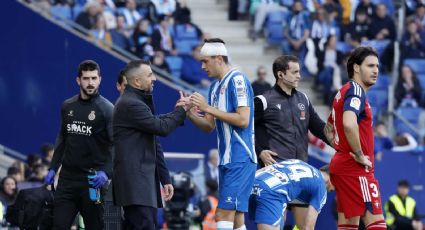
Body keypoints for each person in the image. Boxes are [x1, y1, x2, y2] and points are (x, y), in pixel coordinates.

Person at [185, 38, 257, 230]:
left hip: (240, 158)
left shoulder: (238, 80)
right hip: (226, 160)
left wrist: (207, 107)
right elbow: (209, 126)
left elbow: (243, 119)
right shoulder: (214, 87)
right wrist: (190, 113)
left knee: (222, 214)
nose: (202, 66)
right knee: (237, 219)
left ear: (218, 58)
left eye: (205, 61)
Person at [254, 55, 333, 229]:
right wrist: (259, 151)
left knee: (305, 227)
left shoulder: (303, 99)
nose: (299, 76)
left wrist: (339, 146)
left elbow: (319, 127)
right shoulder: (263, 101)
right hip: (277, 175)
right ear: (280, 74)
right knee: (277, 225)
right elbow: (245, 130)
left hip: (300, 175)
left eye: (299, 71)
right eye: (295, 72)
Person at [113, 60, 191, 230]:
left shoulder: (136, 102)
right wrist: (182, 111)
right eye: (149, 75)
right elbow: (161, 128)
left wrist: (164, 178)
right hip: (136, 186)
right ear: (137, 82)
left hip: (140, 185)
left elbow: (155, 135)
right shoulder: (131, 104)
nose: (154, 78)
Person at [44, 60, 113, 229]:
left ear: (100, 79)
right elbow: (62, 138)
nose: (90, 83)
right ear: (78, 80)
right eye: (86, 78)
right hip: (67, 180)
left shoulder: (108, 109)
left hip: (93, 182)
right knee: (58, 226)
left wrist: (106, 172)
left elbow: (116, 146)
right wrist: (53, 167)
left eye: (94, 78)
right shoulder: (68, 106)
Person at [327, 46, 387, 230]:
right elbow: (348, 123)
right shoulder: (356, 91)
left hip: (342, 165)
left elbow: (329, 128)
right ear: (356, 68)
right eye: (370, 66)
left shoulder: (343, 92)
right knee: (377, 223)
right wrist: (359, 154)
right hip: (355, 168)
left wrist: (341, 149)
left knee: (348, 225)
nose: (376, 70)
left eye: (377, 66)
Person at [249, 160, 332, 230]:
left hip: (253, 181)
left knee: (238, 225)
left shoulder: (298, 162)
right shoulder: (321, 187)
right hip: (272, 192)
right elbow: (308, 227)